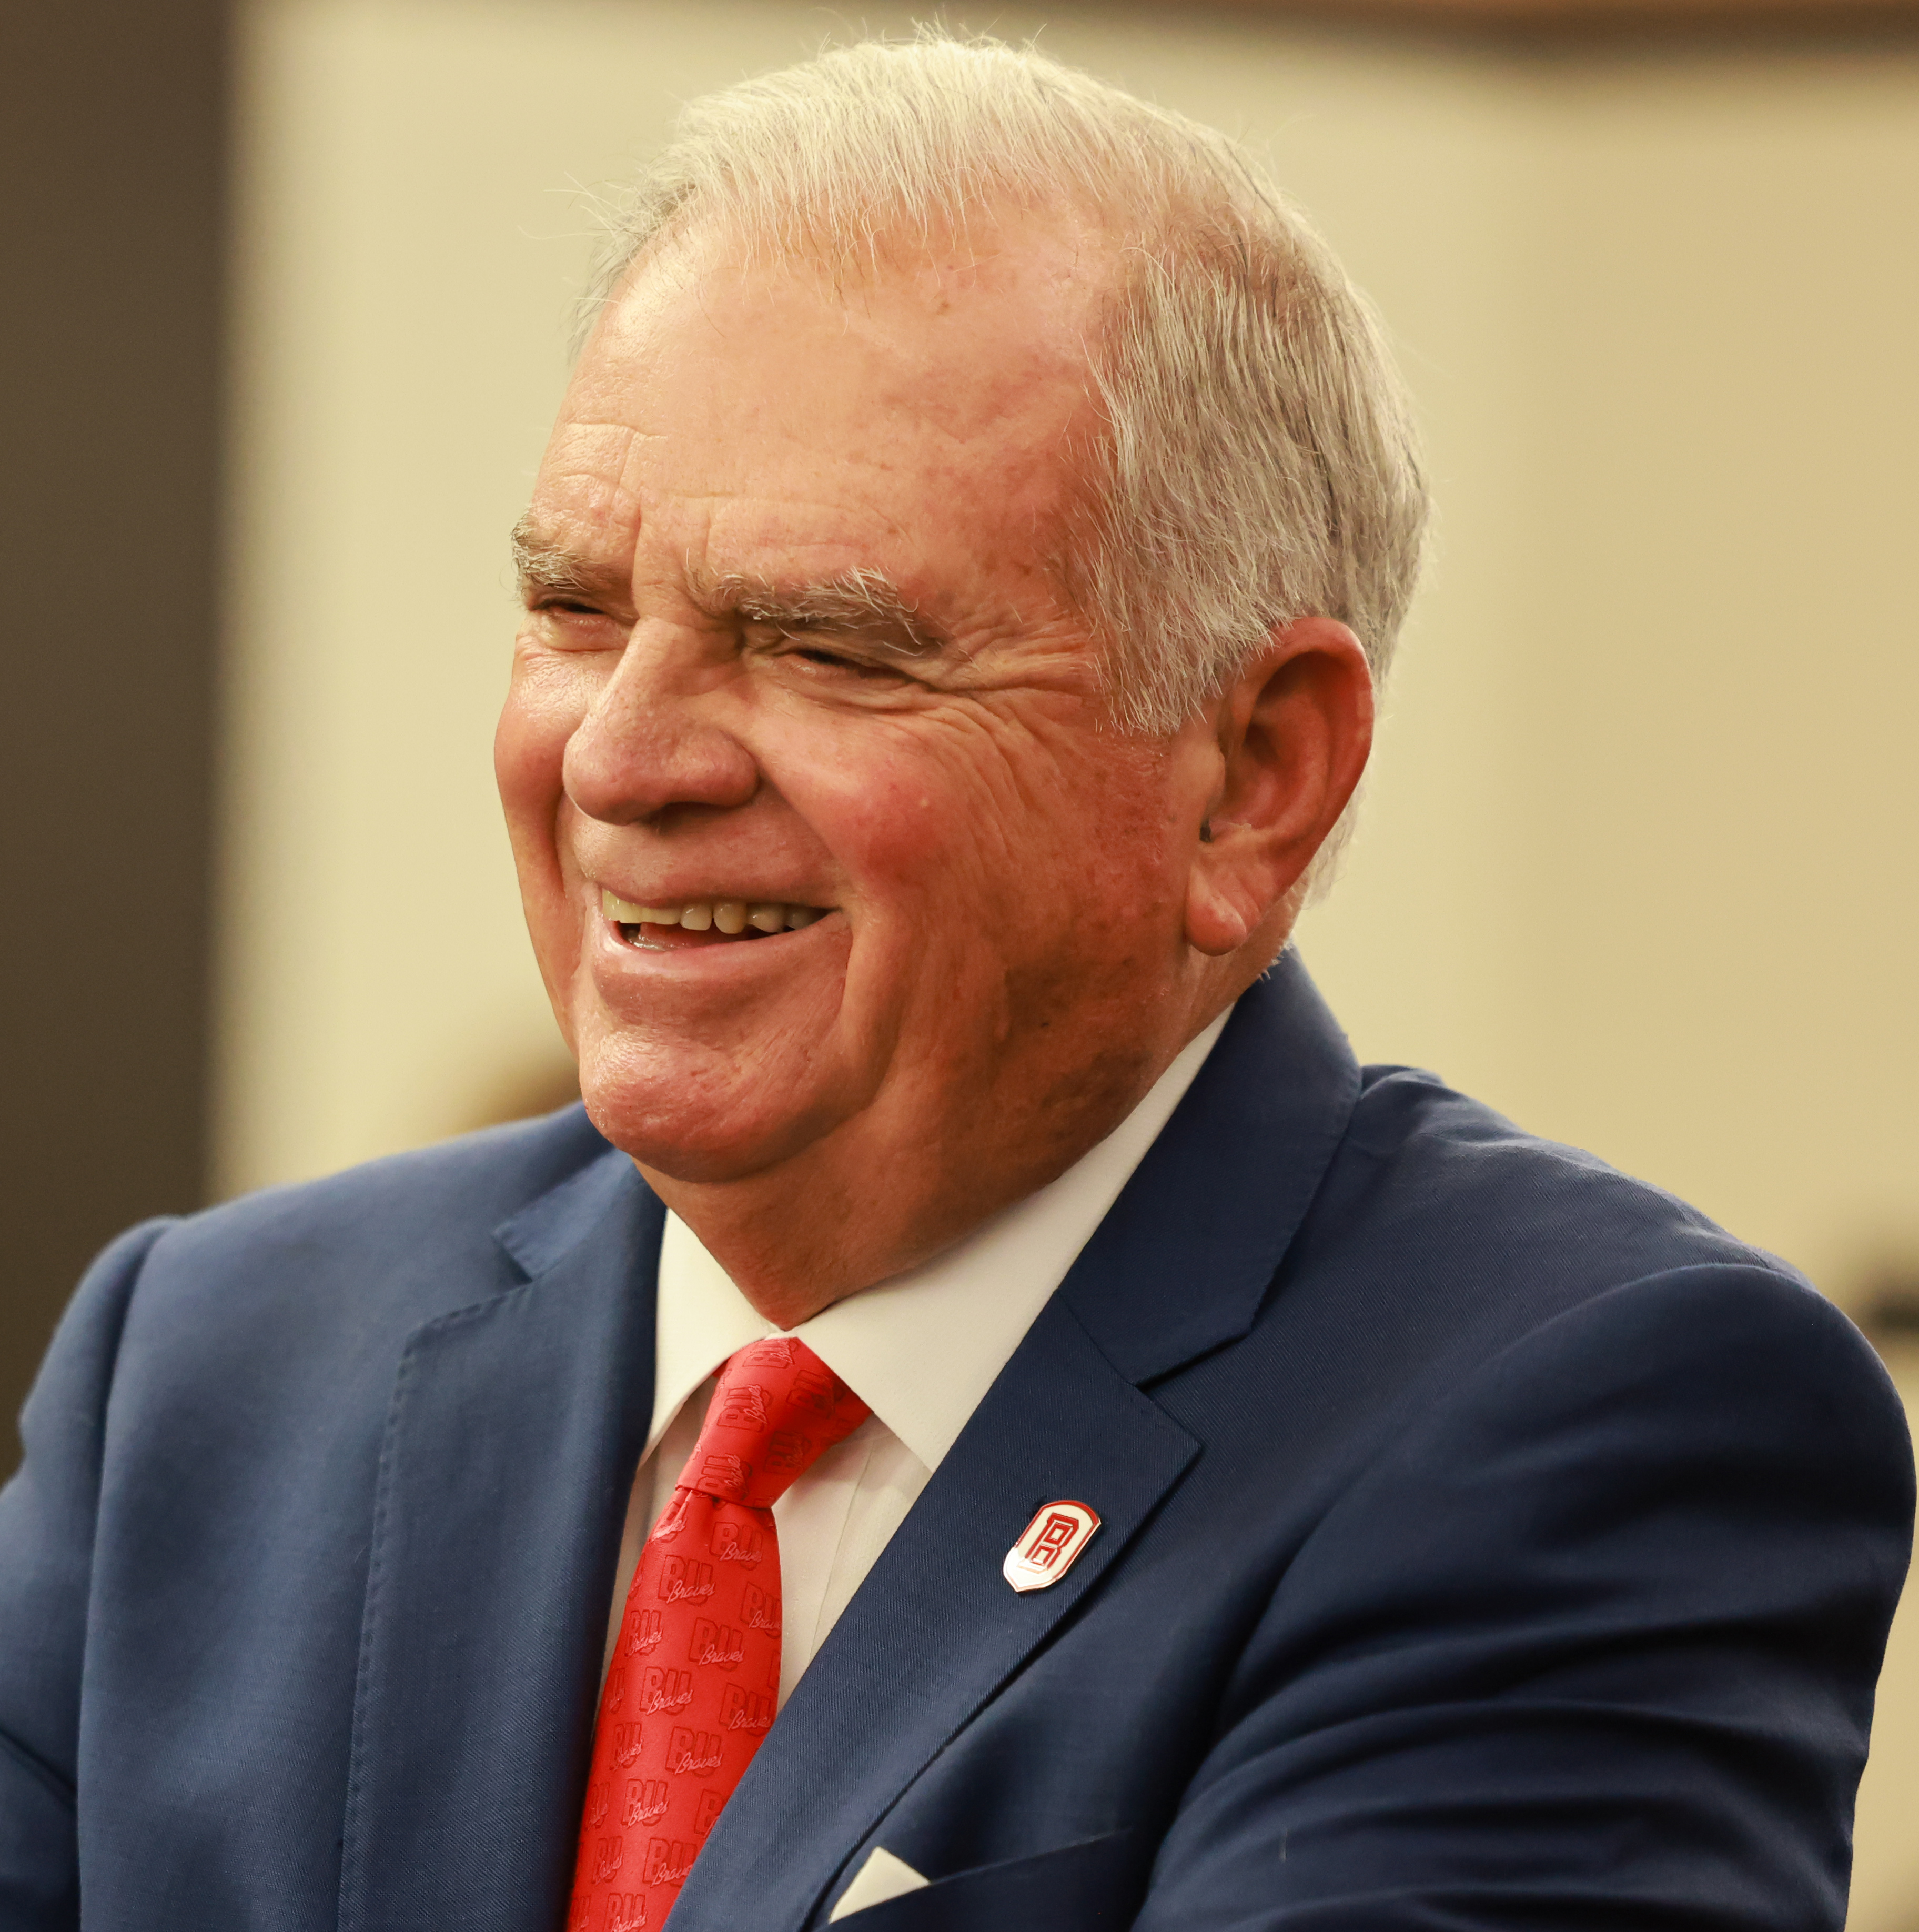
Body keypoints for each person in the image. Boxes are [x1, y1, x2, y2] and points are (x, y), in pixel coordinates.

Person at [0, 32, 1910, 1932]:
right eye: (577, 611)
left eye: (823, 645)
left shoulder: (1582, 1423)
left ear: (1254, 775)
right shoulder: (216, 1371)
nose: (620, 757)